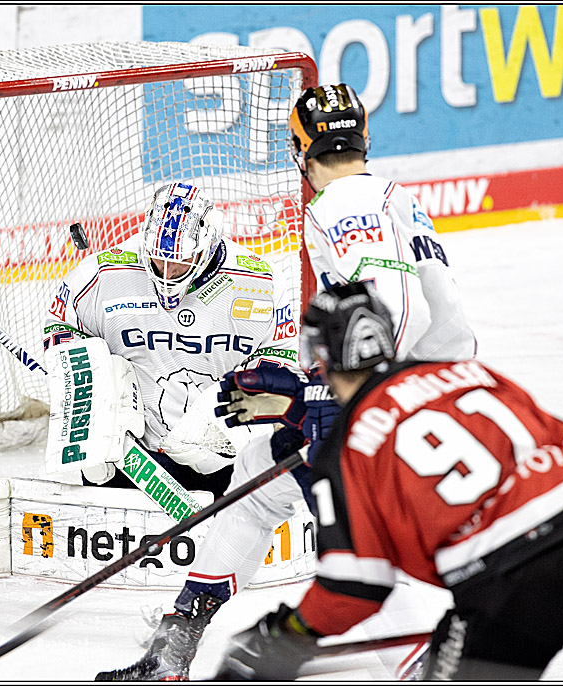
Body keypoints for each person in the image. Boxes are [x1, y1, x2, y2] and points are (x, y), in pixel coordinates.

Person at [95, 83, 476, 681]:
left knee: (350, 551)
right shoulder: (395, 198)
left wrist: (340, 394)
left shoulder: (340, 202)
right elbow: (444, 319)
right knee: (256, 480)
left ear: (302, 150)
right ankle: (175, 644)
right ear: (364, 139)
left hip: (386, 402)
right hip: (426, 389)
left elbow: (394, 304)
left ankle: (428, 664)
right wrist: (310, 383)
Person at [212, 282, 563, 681]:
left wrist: (286, 634)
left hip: (514, 587)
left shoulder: (347, 444)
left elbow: (354, 588)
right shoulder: (467, 373)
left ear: (323, 355)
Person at [41, 180, 297, 499]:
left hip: (225, 461)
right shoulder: (102, 272)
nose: (165, 270)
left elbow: (281, 356)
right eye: (157, 258)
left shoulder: (261, 282)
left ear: (208, 244)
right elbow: (60, 329)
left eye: (179, 261)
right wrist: (90, 410)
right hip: (132, 456)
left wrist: (233, 419)